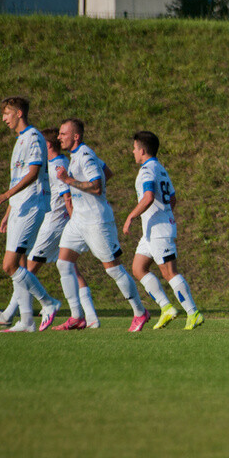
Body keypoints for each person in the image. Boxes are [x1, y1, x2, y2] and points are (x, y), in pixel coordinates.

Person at [0, 128, 99, 327]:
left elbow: (67, 197)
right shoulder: (49, 164)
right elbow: (26, 187)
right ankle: (89, 317)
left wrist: (75, 223)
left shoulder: (58, 164)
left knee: (26, 269)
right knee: (68, 267)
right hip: (48, 222)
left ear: (46, 146)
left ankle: (12, 314)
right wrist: (8, 214)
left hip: (53, 225)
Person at [53, 118, 150, 331]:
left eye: (63, 134)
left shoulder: (85, 155)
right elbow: (107, 173)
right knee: (64, 263)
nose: (59, 137)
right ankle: (77, 316)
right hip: (79, 219)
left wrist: (68, 181)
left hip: (96, 221)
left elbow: (97, 187)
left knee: (113, 270)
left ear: (75, 136)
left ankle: (140, 312)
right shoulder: (80, 154)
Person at [0, 96, 61, 333]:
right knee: (17, 265)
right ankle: (26, 321)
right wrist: (8, 211)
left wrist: (6, 196)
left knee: (9, 266)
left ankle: (49, 302)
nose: (3, 118)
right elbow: (17, 177)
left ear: (18, 113)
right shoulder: (20, 141)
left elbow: (33, 172)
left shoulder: (33, 137)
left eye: (6, 113)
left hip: (32, 207)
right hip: (19, 208)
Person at [123, 131, 203, 330]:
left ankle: (193, 313)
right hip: (152, 231)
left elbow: (148, 196)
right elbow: (173, 199)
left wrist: (131, 216)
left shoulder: (147, 170)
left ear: (142, 150)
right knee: (138, 268)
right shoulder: (160, 168)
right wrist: (164, 215)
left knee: (169, 273)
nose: (132, 152)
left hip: (159, 230)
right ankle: (166, 307)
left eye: (134, 148)